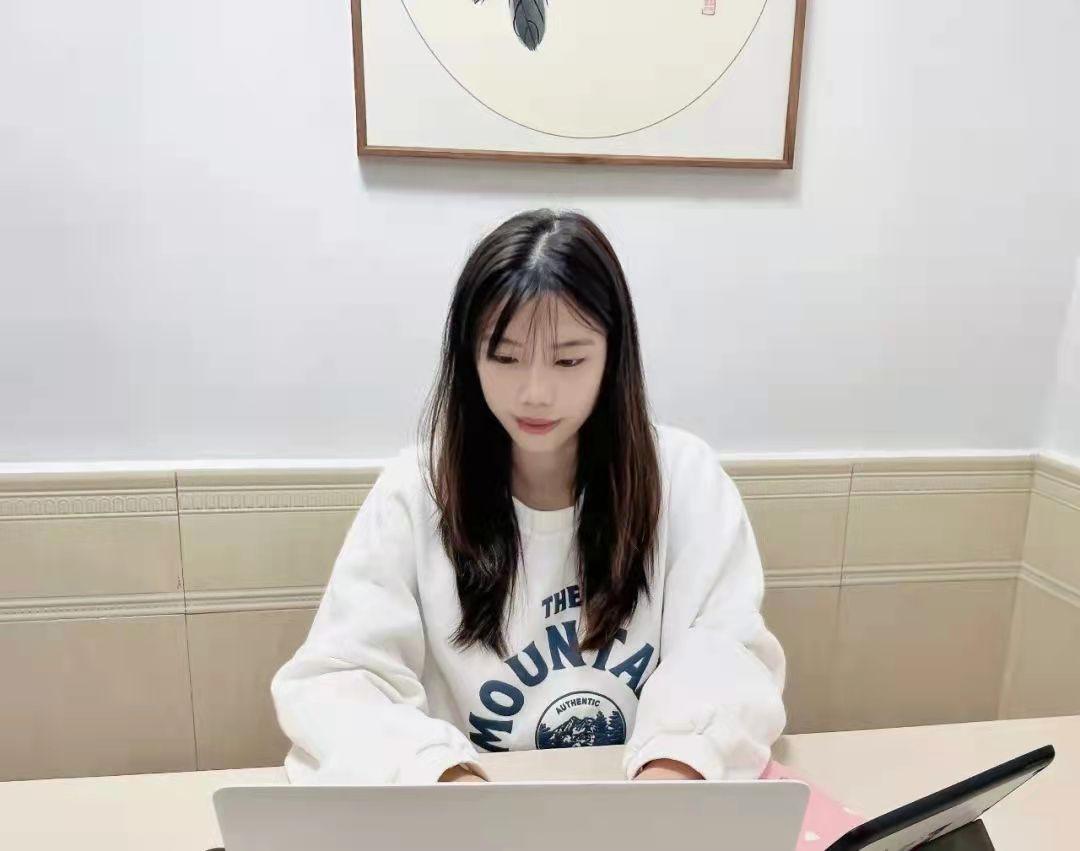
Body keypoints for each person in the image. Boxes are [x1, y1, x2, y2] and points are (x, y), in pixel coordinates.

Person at [271, 209, 786, 785]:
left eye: (568, 360)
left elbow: (726, 653)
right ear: (469, 356)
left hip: (638, 800)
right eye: (505, 356)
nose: (535, 392)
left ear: (613, 356)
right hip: (471, 812)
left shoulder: (683, 479)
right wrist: (446, 782)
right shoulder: (415, 491)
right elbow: (339, 680)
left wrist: (674, 771)